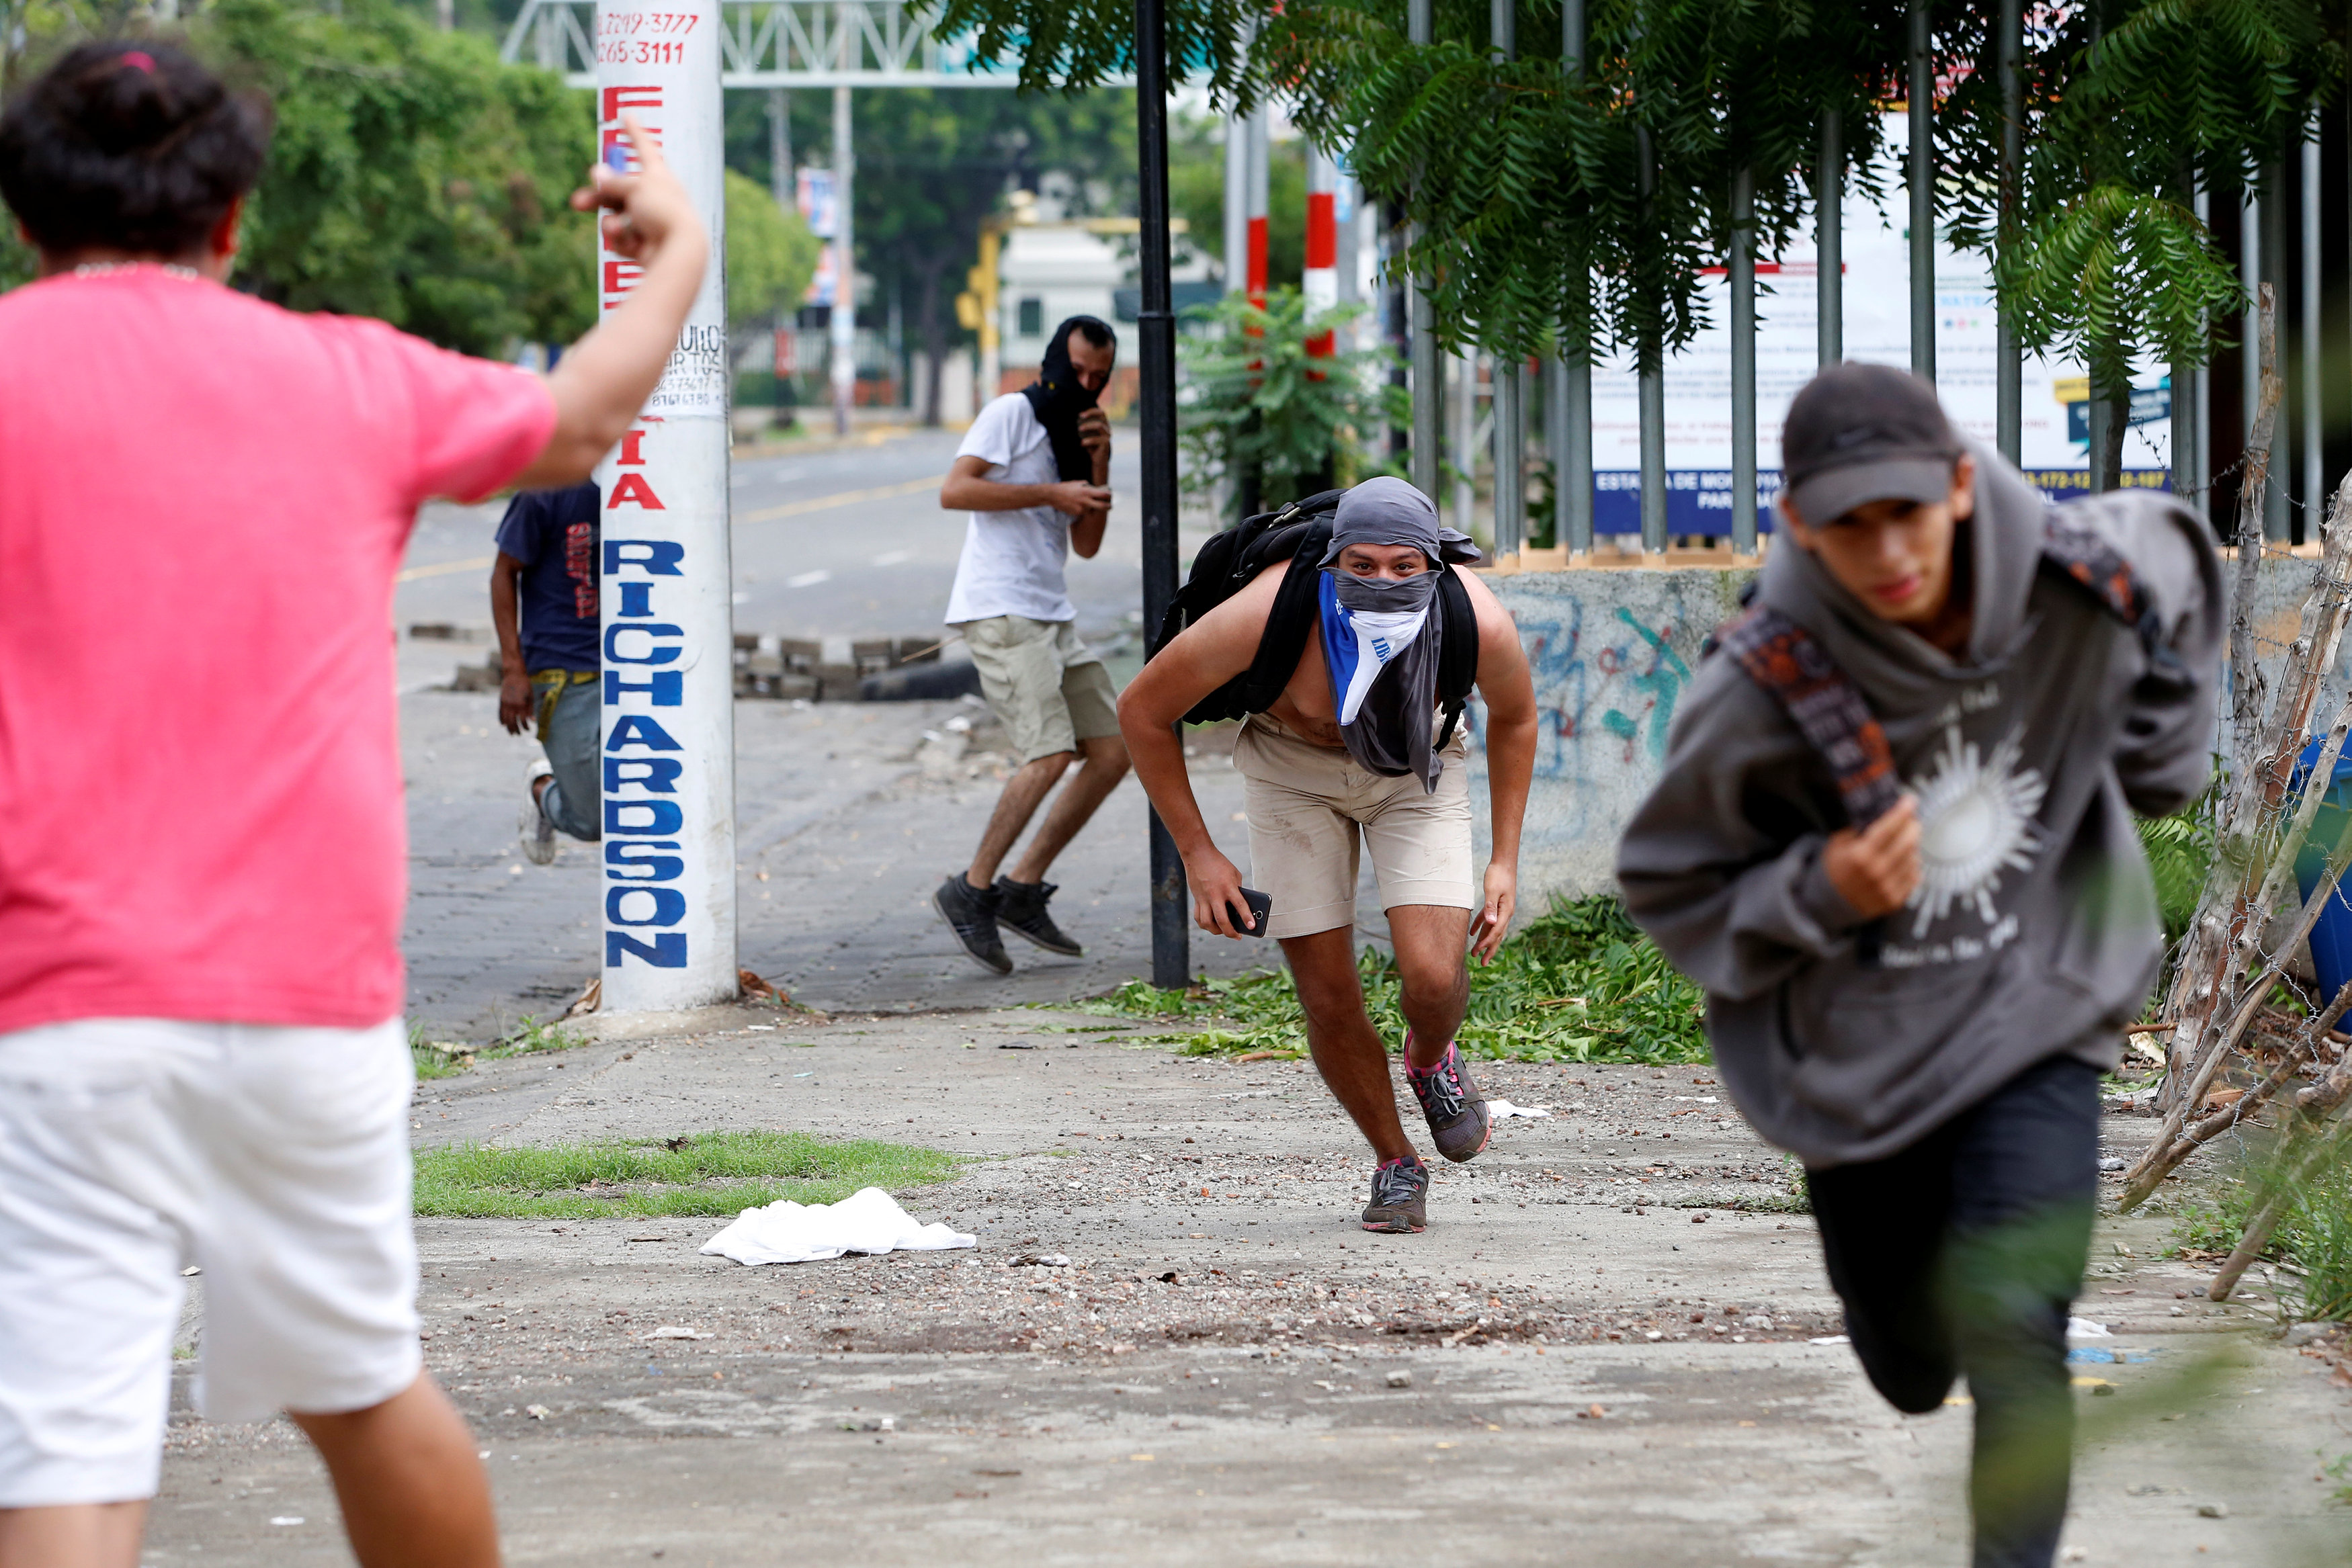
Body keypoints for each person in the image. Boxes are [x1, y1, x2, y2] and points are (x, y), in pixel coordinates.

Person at [0, 40, 705, 1568]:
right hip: (304, 1007)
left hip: (53, 1005)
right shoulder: (345, 373)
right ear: (235, 218)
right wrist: (677, 250)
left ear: (27, 216)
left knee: (66, 1446)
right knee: (365, 1390)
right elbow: (581, 423)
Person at [1617, 363, 2222, 1568]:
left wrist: (2160, 750)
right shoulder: (1764, 678)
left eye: (1907, 510)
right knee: (1909, 1366)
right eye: (1850, 524)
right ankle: (1901, 1318)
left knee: (2017, 1327)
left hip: (2039, 1001)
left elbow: (2187, 558)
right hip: (1863, 1055)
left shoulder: (2079, 569)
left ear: (1958, 482)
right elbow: (1670, 878)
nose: (1889, 550)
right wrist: (1824, 888)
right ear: (1798, 526)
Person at [1118, 477, 1538, 1233]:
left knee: (1434, 974)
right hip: (1290, 775)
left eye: (1403, 568)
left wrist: (1503, 860)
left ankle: (1429, 1057)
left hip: (1418, 771)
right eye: (1363, 566)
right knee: (1328, 993)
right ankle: (1394, 1162)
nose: (1382, 581)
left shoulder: (1474, 616)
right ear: (1331, 562)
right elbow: (1141, 711)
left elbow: (1514, 718)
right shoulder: (1266, 612)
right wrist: (1199, 854)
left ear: (1434, 566)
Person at [932, 315, 1131, 973]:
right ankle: (971, 889)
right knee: (1047, 754)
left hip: (1050, 612)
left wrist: (1098, 463)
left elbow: (1087, 543)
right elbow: (954, 490)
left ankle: (1021, 888)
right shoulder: (1012, 413)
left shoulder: (1079, 434)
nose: (1083, 384)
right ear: (1053, 358)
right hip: (1000, 607)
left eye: (1097, 378)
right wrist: (1049, 490)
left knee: (1111, 750)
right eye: (1074, 370)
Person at [493, 480, 602, 864]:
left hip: (633, 671)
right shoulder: (547, 489)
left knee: (637, 806)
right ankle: (543, 790)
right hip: (565, 675)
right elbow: (504, 572)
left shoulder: (646, 484)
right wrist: (513, 670)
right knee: (593, 822)